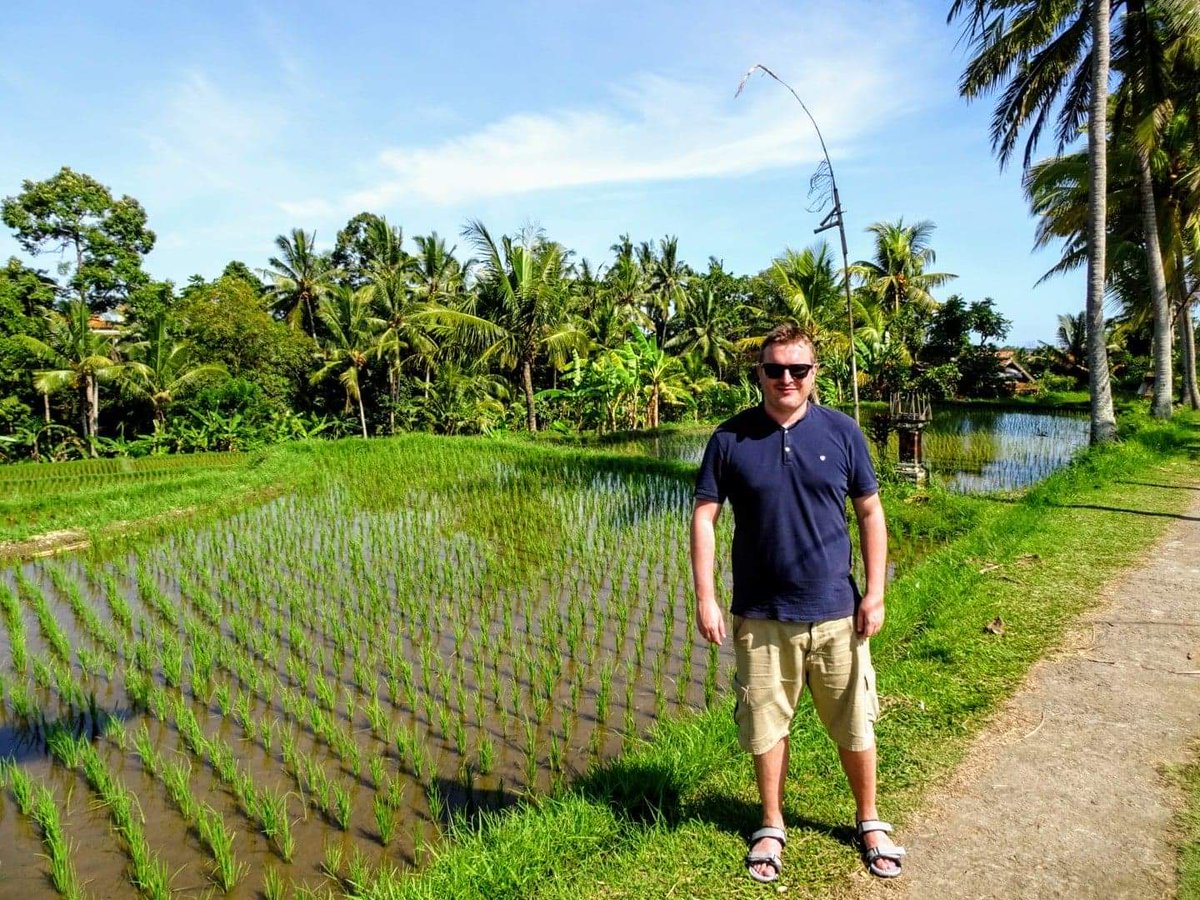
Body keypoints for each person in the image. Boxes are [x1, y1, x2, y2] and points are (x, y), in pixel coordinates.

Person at [690, 323, 905, 883]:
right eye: (774, 369)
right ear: (758, 373)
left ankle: (869, 820)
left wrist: (876, 593)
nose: (786, 378)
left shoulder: (843, 432)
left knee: (855, 722)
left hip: (836, 609)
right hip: (760, 616)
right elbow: (705, 518)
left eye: (798, 369)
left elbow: (870, 513)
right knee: (766, 725)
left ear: (814, 374)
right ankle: (771, 823)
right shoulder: (730, 438)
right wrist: (706, 599)